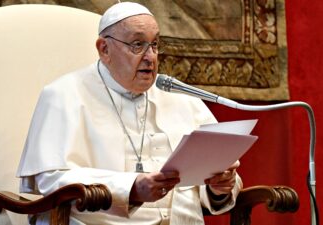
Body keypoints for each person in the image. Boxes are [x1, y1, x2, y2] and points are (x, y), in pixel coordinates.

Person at [17, 2, 243, 224]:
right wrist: (131, 188)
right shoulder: (63, 95)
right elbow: (51, 179)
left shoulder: (181, 98)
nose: (150, 57)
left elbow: (222, 174)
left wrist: (218, 188)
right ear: (104, 49)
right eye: (137, 45)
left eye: (154, 44)